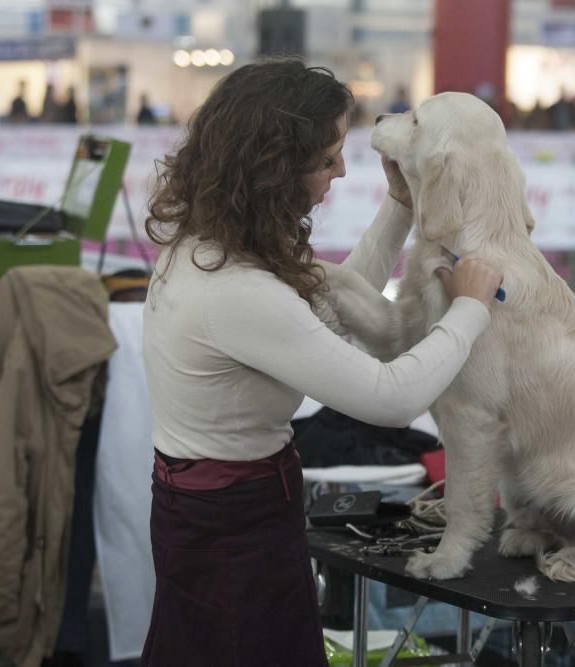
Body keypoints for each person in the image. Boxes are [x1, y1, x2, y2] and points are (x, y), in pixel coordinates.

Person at [140, 57, 502, 665]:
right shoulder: (235, 289)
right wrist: (470, 308)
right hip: (234, 528)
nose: (339, 169)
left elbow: (331, 306)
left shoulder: (210, 248)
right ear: (273, 169)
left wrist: (401, 205)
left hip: (217, 512)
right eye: (326, 157)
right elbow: (390, 399)